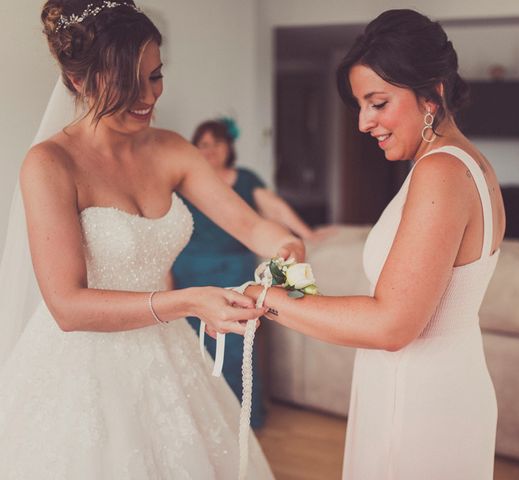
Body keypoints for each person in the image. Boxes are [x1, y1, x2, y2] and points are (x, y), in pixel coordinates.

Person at [0, 1, 305, 478]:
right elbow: (67, 306)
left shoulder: (171, 149)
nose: (148, 97)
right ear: (78, 81)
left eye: (155, 76)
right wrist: (189, 301)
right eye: (127, 82)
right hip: (82, 371)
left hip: (168, 355)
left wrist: (287, 250)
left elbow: (251, 227)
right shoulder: (50, 164)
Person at [244, 9, 506, 480]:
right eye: (360, 106)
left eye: (378, 103)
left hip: (418, 400)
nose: (364, 123)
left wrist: (264, 298)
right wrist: (292, 273)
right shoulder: (468, 164)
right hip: (441, 383)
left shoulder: (441, 173)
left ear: (433, 93)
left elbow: (390, 325)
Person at [172, 118, 324, 428]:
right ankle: (204, 425)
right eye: (202, 144)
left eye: (216, 142)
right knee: (192, 349)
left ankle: (243, 421)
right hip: (190, 270)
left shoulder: (245, 179)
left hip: (233, 269)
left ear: (229, 147)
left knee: (236, 348)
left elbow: (275, 208)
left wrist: (304, 235)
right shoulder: (182, 183)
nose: (210, 149)